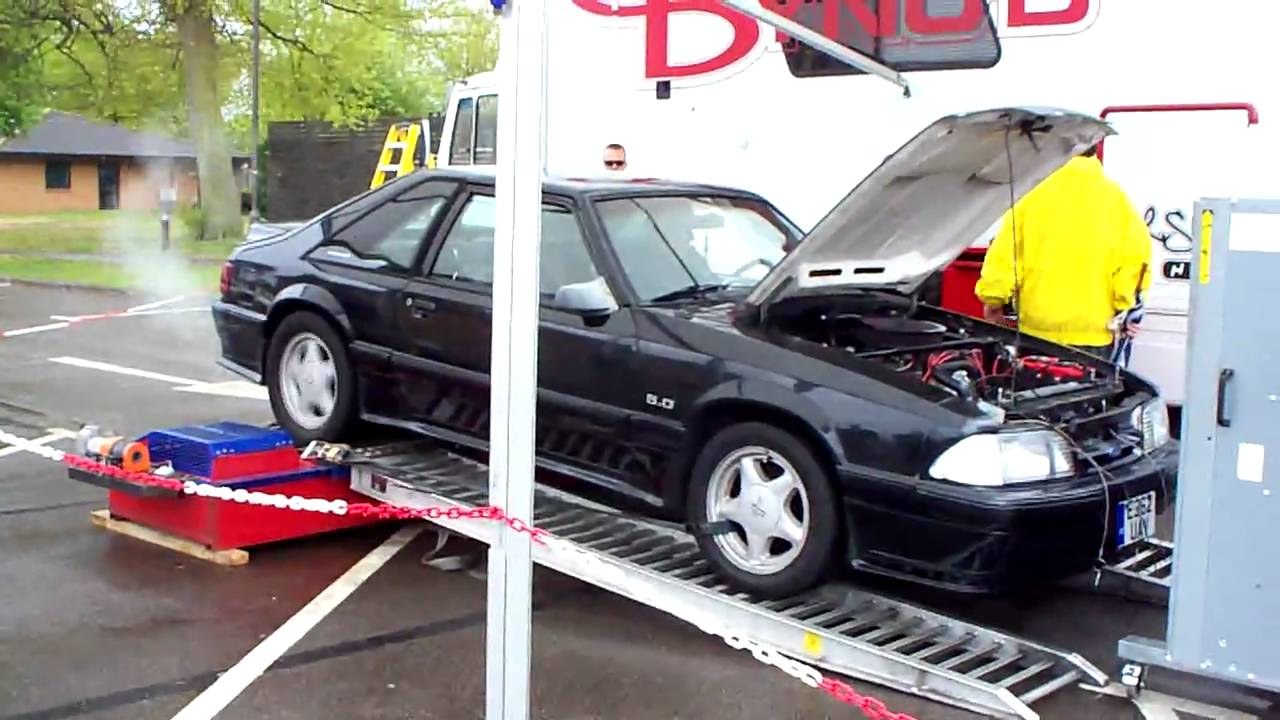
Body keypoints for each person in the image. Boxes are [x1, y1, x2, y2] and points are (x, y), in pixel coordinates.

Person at [974, 145, 1152, 360]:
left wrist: (993, 302)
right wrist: (1127, 312)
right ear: (1094, 150)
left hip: (1036, 334)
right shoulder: (1118, 201)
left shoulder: (1029, 197)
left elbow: (1003, 258)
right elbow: (1136, 262)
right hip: (1094, 334)